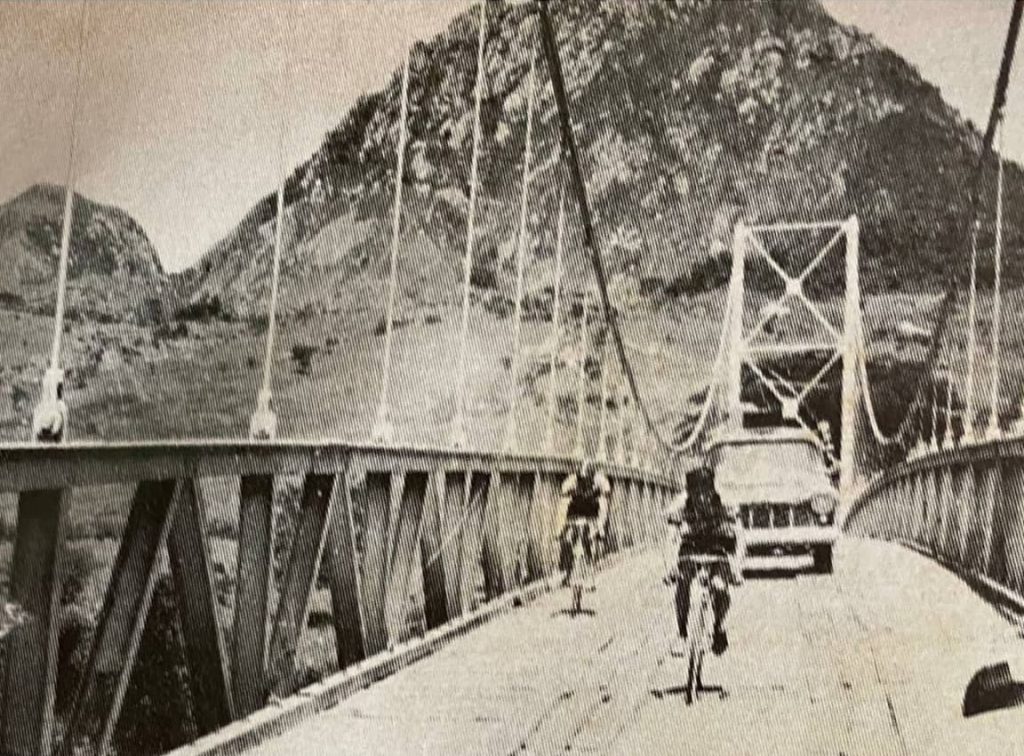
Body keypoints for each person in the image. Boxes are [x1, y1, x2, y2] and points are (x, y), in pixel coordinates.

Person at [665, 465, 743, 655]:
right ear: (689, 492)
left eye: (705, 492)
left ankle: (718, 627)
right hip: (692, 545)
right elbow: (671, 538)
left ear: (712, 489)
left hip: (719, 544)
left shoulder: (726, 503)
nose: (701, 498)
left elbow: (740, 537)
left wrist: (737, 567)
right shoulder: (680, 506)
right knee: (683, 581)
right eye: (695, 493)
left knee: (719, 586)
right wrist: (670, 567)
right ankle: (682, 634)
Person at [555, 459, 611, 587]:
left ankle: (590, 578)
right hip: (577, 512)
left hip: (590, 513)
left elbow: (606, 491)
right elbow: (564, 489)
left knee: (591, 541)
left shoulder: (599, 479)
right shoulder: (575, 478)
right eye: (584, 475)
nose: (586, 478)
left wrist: (597, 491)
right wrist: (572, 491)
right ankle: (566, 573)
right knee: (568, 539)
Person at [31, 369, 68, 443]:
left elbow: (63, 435)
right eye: (59, 386)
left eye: (60, 386)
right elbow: (35, 436)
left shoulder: (61, 407)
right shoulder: (40, 408)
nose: (61, 389)